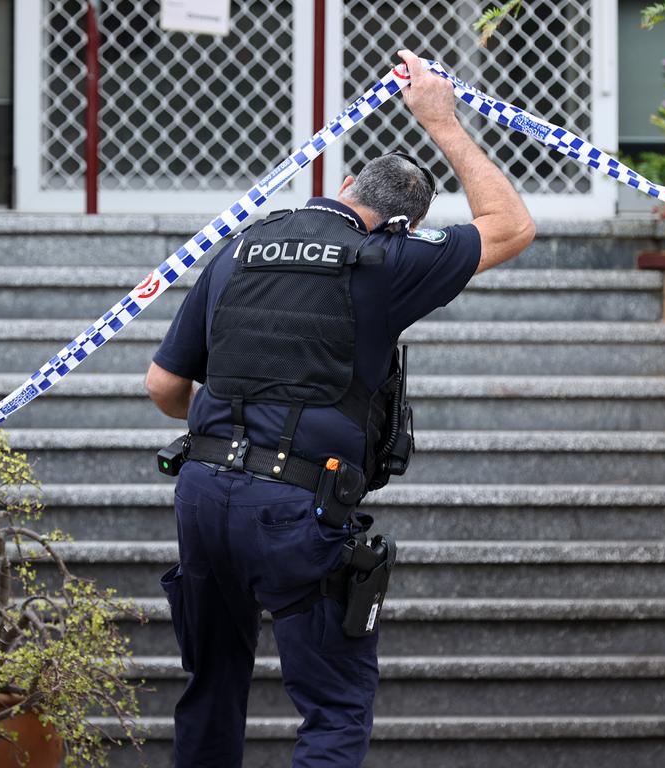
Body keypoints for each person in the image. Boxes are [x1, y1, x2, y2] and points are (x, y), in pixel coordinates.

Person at [145, 49, 535, 768]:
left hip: (202, 497)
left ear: (347, 183)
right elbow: (509, 223)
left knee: (210, 688)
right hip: (296, 507)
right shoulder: (386, 262)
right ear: (403, 225)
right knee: (335, 708)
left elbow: (163, 386)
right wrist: (441, 120)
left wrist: (236, 424)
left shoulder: (238, 250)